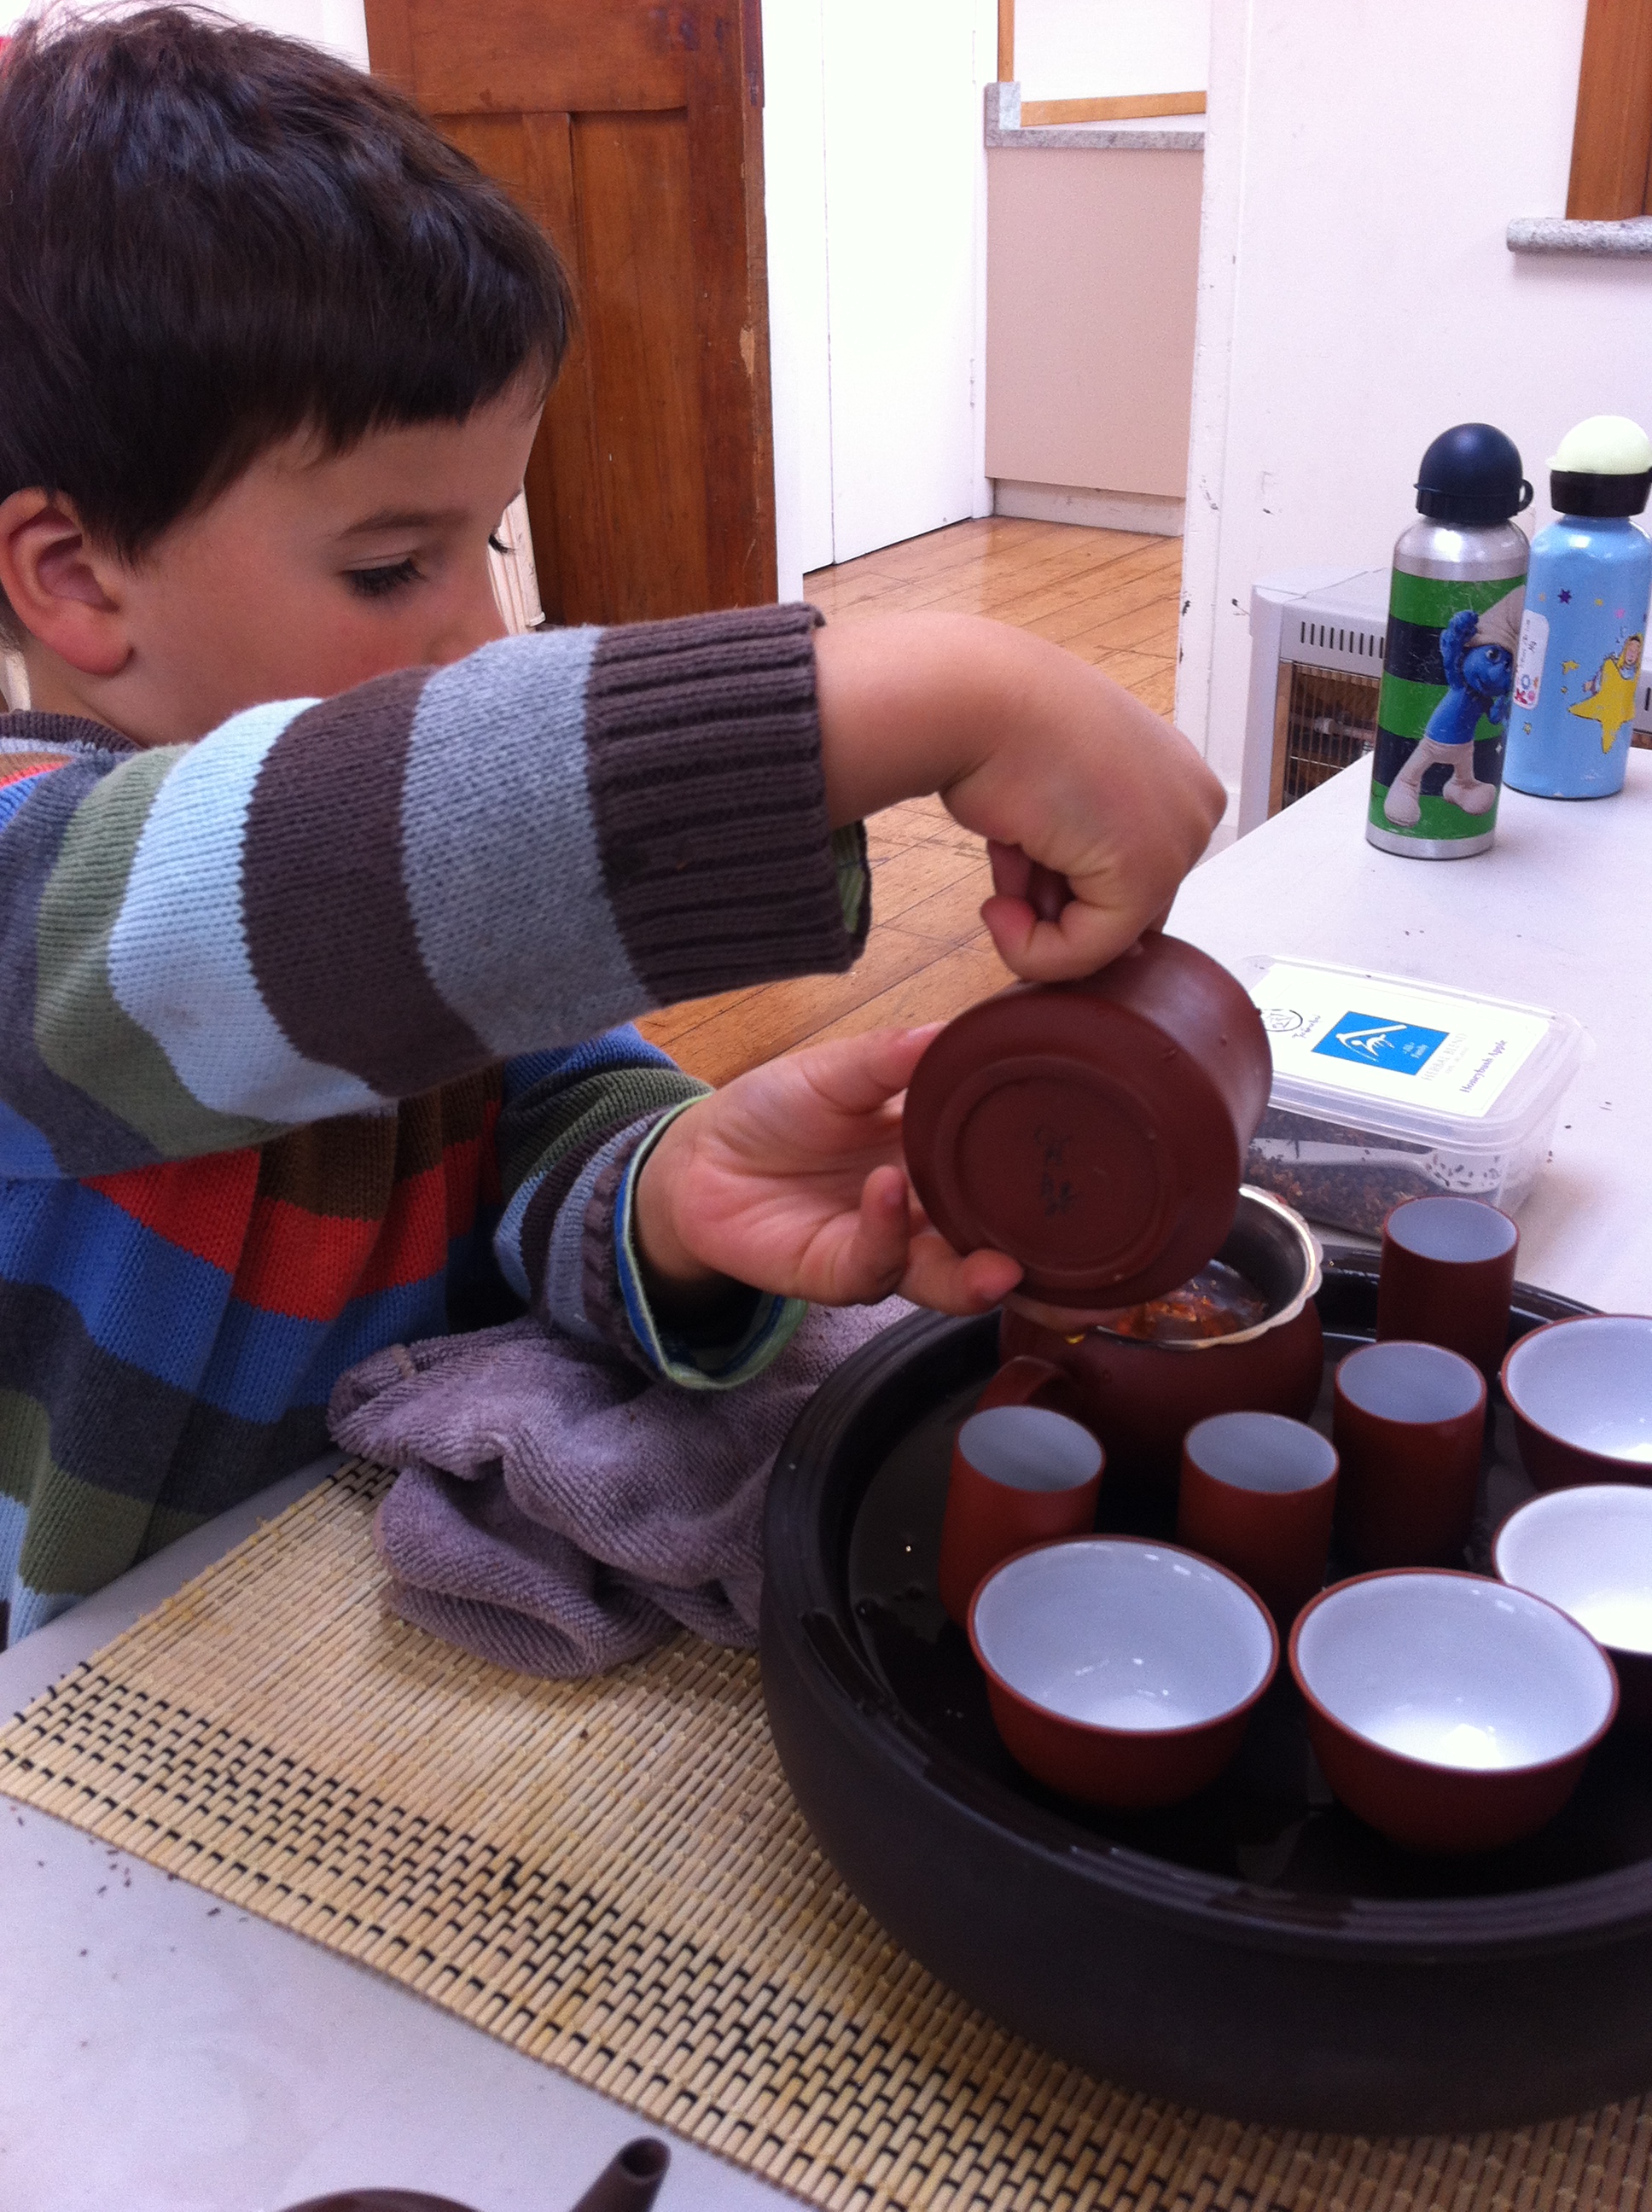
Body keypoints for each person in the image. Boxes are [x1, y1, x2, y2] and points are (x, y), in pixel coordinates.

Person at [0, 8, 1224, 1644]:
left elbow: (545, 1107)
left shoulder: (424, 954)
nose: (479, 636)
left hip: (351, 1603)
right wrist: (927, 695)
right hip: (88, 1699)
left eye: (489, 547)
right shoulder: (44, 895)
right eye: (390, 566)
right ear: (77, 577)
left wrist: (677, 1192)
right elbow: (318, 873)